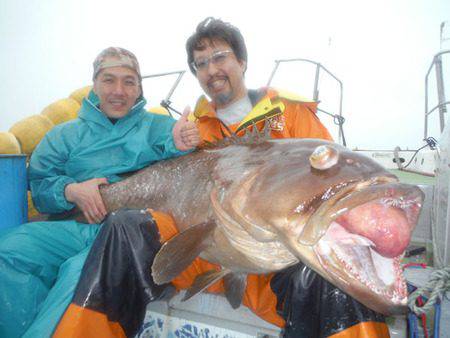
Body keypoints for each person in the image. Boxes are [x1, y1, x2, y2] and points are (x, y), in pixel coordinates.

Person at [156, 17, 388, 337]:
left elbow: (335, 184)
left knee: (337, 279)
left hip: (285, 268)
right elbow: (175, 200)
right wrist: (174, 146)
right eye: (201, 64)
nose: (211, 70)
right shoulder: (193, 133)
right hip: (215, 264)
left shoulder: (290, 113)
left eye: (220, 57)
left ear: (242, 61)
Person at [0, 47, 200, 338]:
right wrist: (71, 190)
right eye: (109, 80)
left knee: (78, 274)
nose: (119, 91)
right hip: (73, 229)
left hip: (126, 238)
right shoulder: (63, 135)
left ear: (139, 87)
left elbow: (187, 167)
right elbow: (41, 185)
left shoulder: (160, 128)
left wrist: (183, 142)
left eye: (129, 81)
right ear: (94, 84)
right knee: (9, 251)